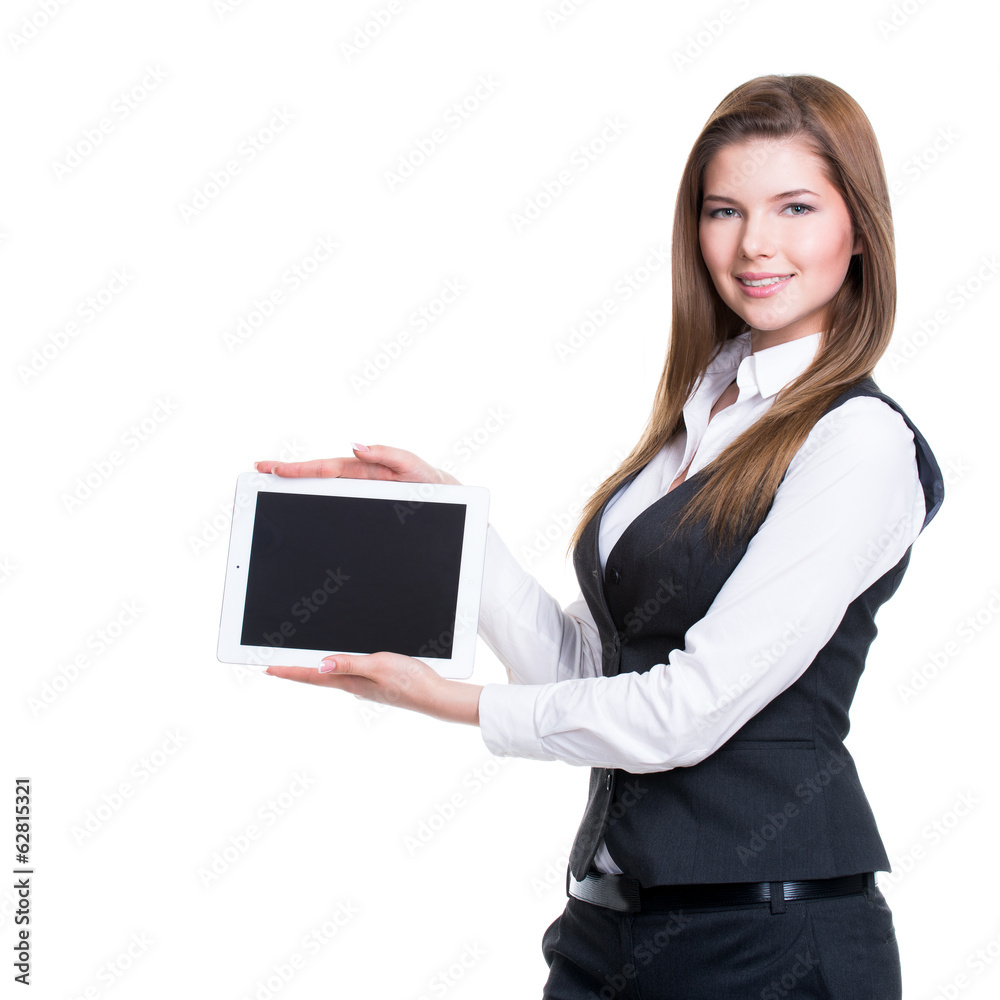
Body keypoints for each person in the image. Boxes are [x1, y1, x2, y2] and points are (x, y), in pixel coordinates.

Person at [257, 74, 945, 999]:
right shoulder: (703, 412)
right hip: (606, 929)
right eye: (724, 210)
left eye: (795, 207)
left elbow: (685, 709)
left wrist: (452, 702)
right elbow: (591, 676)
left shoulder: (858, 442)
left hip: (771, 940)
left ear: (857, 229)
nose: (755, 245)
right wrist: (455, 528)